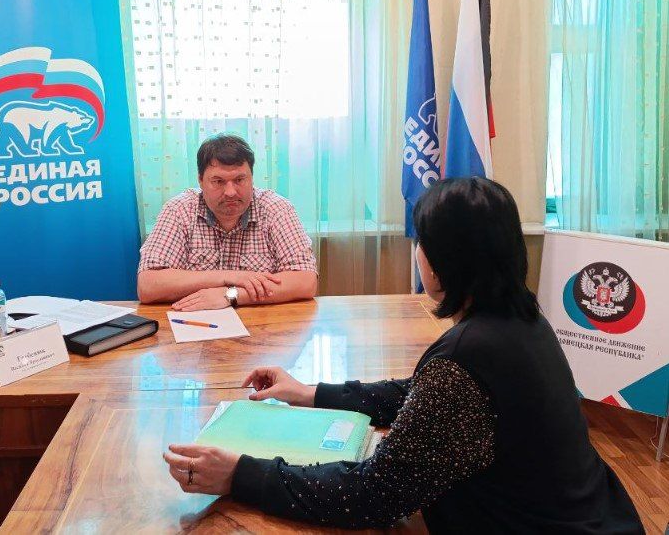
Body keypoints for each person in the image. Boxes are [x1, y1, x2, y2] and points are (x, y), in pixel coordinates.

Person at [162, 177, 644, 533]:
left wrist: (240, 474)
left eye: (421, 243)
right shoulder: (520, 320)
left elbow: (371, 496)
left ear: (444, 261)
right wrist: (311, 392)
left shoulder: (465, 358)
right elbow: (419, 395)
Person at [138, 134, 317, 311]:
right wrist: (228, 277)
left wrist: (231, 295)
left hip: (261, 323)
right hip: (194, 321)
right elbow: (147, 286)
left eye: (239, 180)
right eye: (218, 181)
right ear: (201, 180)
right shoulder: (179, 210)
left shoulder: (276, 209)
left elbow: (305, 281)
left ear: (252, 177)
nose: (230, 192)